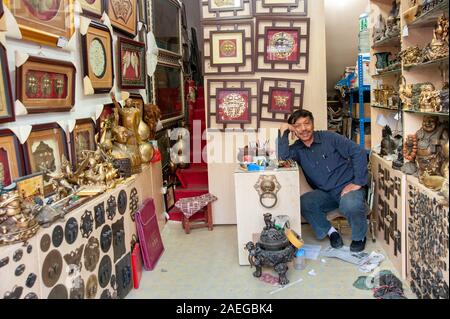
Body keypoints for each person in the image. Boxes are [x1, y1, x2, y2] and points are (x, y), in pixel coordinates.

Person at [277, 110, 368, 252]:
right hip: (325, 193)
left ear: (313, 124)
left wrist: (358, 182)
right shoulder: (297, 149)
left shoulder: (330, 138)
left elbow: (358, 152)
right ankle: (331, 232)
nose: (303, 129)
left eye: (307, 123)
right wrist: (283, 132)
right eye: (298, 126)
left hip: (346, 188)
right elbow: (283, 158)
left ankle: (359, 237)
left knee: (350, 205)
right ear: (294, 129)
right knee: (305, 202)